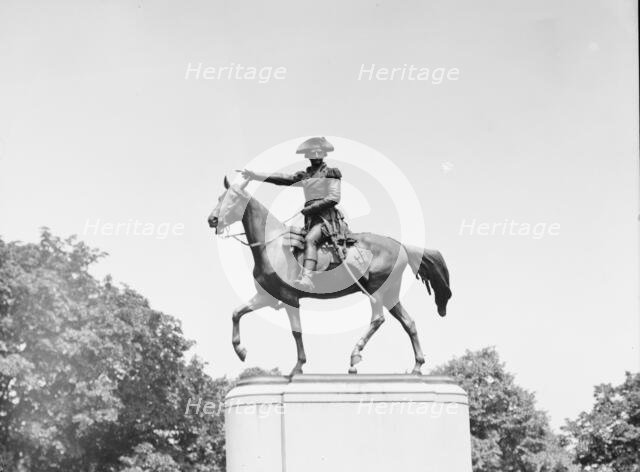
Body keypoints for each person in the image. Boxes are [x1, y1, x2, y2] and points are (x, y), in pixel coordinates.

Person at [240, 137, 347, 291]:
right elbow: (282, 179)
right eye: (313, 152)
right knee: (291, 241)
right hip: (310, 221)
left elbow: (334, 197)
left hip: (327, 220)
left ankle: (307, 278)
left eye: (319, 152)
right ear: (308, 156)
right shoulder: (305, 175)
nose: (316, 155)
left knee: (310, 240)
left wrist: (312, 208)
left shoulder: (331, 173)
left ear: (323, 154)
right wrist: (255, 175)